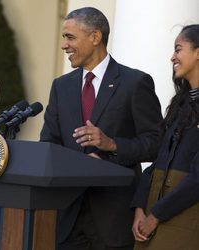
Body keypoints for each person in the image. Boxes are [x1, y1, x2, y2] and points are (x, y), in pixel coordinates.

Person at [40, 7, 163, 250]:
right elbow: (49, 145)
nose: (64, 45)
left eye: (70, 37)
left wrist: (113, 145)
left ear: (95, 37)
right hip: (68, 216)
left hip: (113, 218)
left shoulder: (135, 83)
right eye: (64, 37)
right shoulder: (61, 86)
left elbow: (157, 144)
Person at [131, 24, 199, 250]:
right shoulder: (180, 105)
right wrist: (140, 208)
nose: (172, 57)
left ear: (198, 52)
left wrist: (155, 215)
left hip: (185, 221)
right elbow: (157, 163)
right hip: (153, 218)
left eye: (178, 49)